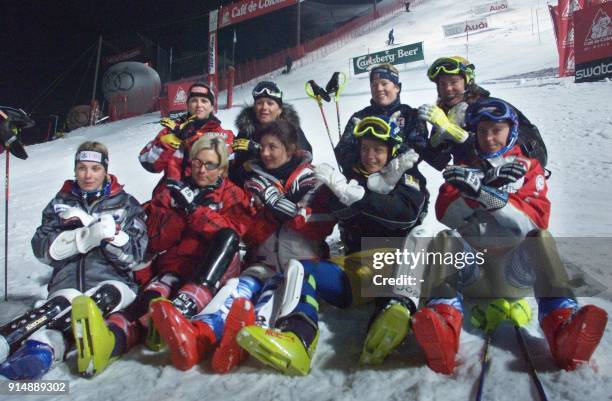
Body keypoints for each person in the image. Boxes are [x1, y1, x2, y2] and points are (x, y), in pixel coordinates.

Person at [414, 97, 607, 374]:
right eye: (482, 131)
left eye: (496, 130)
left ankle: (562, 325)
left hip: (515, 275)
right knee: (445, 239)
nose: (489, 138)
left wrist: (485, 195)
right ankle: (443, 326)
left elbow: (531, 224)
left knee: (541, 239)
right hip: (474, 276)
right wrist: (475, 192)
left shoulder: (529, 168)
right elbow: (447, 215)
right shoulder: (462, 168)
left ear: (511, 130)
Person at [151, 120, 346, 376]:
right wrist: (260, 212)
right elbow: (249, 232)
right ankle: (200, 334)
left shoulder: (313, 180)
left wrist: (279, 204)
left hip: (304, 261)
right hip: (264, 262)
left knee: (284, 284)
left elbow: (320, 225)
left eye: (272, 147)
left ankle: (282, 336)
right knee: (238, 288)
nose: (264, 153)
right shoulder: (253, 182)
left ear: (289, 148)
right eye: (262, 146)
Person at [90, 136, 253, 369]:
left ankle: (179, 309)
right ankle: (113, 337)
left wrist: (194, 211)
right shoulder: (172, 189)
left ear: (223, 169)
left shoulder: (233, 195)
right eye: (197, 162)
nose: (202, 170)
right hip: (175, 266)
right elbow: (155, 241)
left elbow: (234, 232)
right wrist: (177, 213)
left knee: (226, 237)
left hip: (211, 270)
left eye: (210, 165)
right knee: (150, 300)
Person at [0, 141, 147, 379]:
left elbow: (135, 257)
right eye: (82, 168)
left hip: (112, 282)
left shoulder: (126, 204)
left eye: (95, 168)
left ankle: (43, 347)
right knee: (56, 307)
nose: (88, 175)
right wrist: (82, 238)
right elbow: (41, 248)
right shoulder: (61, 203)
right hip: (66, 283)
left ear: (105, 170)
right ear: (75, 169)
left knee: (100, 299)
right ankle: (7, 340)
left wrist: (110, 238)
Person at [315, 114, 429, 365]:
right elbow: (323, 215)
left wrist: (359, 199)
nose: (370, 156)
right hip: (359, 266)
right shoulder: (351, 175)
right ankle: (295, 328)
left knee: (423, 238)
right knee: (303, 270)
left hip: (399, 266)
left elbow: (405, 215)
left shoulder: (408, 174)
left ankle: (395, 313)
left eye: (378, 150)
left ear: (392, 151)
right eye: (365, 148)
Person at [139, 82, 234, 194]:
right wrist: (174, 139)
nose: (199, 105)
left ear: (212, 106)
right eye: (194, 101)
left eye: (204, 101)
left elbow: (229, 170)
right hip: (172, 196)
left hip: (209, 197)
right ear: (187, 105)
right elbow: (148, 163)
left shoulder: (224, 135)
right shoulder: (172, 130)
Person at [334, 64, 428, 177]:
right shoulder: (360, 117)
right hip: (361, 183)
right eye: (374, 85)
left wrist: (391, 150)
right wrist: (368, 163)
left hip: (402, 182)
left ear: (397, 87)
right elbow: (342, 150)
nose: (379, 88)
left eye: (384, 83)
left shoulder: (411, 115)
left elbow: (419, 151)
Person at [230, 80, 312, 185]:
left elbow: (302, 157)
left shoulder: (291, 130)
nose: (264, 107)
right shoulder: (246, 131)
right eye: (260, 103)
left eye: (270, 103)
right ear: (254, 107)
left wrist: (258, 151)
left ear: (279, 110)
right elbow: (238, 169)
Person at [418, 56, 489, 170]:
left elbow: (495, 150)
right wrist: (430, 141)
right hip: (465, 179)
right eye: (442, 84)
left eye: (454, 82)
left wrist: (455, 133)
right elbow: (439, 161)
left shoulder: (487, 107)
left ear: (467, 82)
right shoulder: (443, 114)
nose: (448, 88)